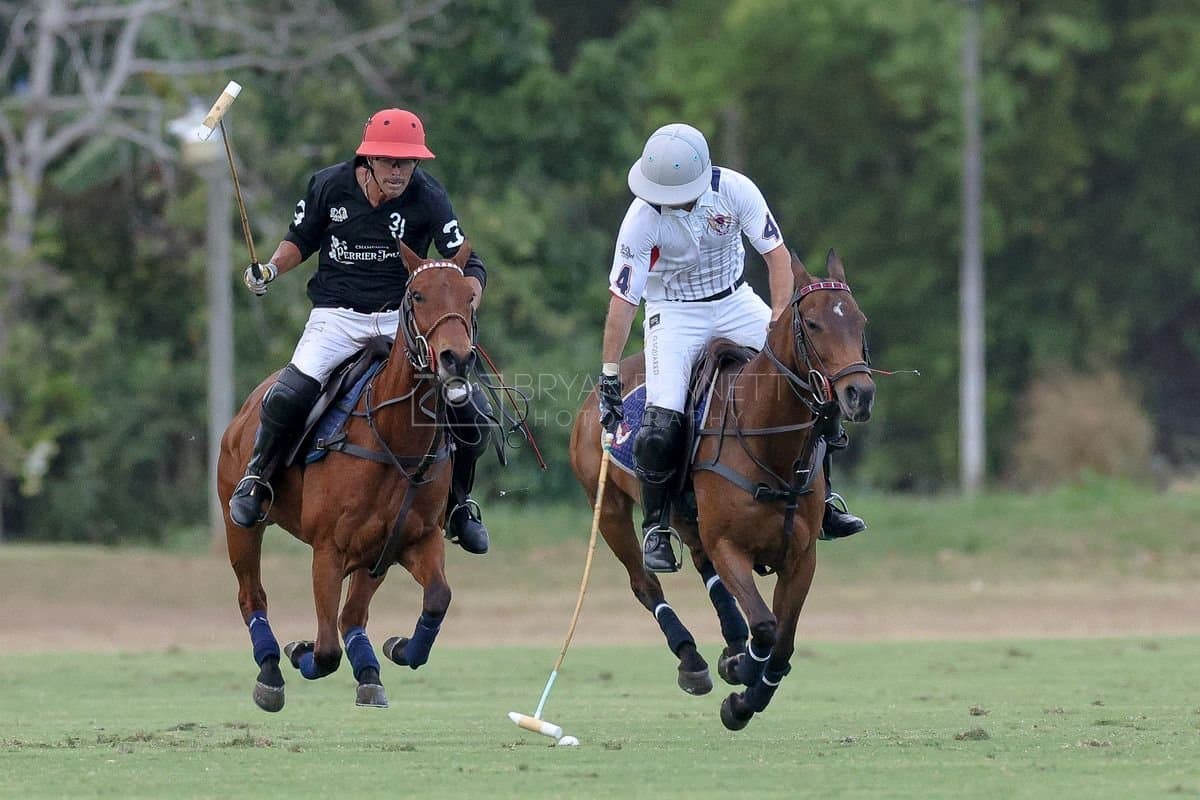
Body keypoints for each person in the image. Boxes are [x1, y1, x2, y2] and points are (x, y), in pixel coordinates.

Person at [595, 122, 866, 573]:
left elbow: (777, 257)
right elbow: (623, 302)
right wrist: (608, 372)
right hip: (673, 313)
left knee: (807, 375)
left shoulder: (736, 190)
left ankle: (826, 500)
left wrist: (778, 324)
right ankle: (657, 525)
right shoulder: (640, 221)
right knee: (662, 421)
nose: (664, 198)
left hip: (735, 301)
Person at [227, 107, 493, 555]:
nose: (398, 172)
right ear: (368, 160)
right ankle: (256, 477)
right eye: (389, 162)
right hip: (336, 316)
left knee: (471, 406)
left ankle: (460, 505)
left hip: (400, 321)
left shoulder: (428, 197)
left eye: (406, 163)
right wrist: (271, 269)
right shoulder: (329, 185)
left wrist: (465, 301)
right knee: (291, 392)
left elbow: (469, 262)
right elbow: (301, 240)